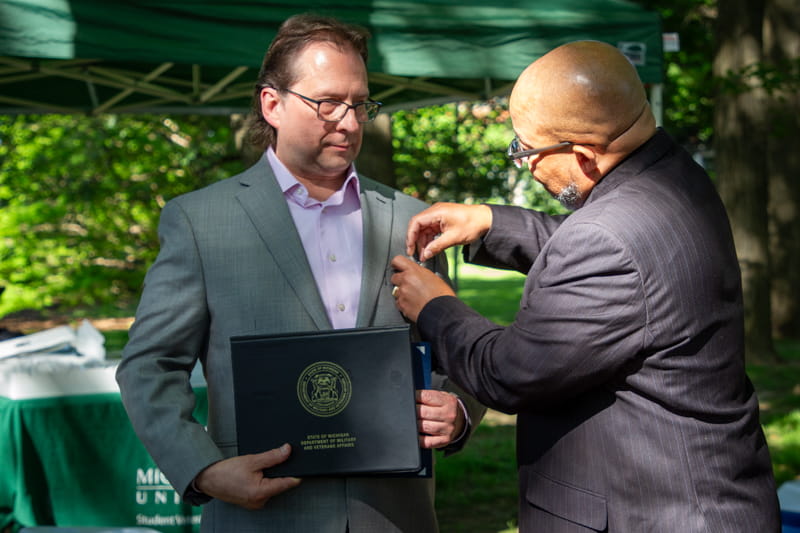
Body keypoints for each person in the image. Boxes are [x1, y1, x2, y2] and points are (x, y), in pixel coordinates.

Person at [390, 40, 780, 532]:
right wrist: (489, 221)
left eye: (527, 150)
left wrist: (435, 307)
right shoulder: (675, 176)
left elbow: (510, 372)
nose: (526, 164)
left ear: (582, 154)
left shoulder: (607, 238)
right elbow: (613, 250)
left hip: (654, 515)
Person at [116, 14, 484, 533]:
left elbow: (457, 350)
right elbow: (149, 366)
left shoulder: (412, 219)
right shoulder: (200, 222)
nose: (350, 122)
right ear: (273, 104)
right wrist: (205, 471)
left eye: (359, 105)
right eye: (328, 103)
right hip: (263, 517)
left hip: (392, 516)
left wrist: (458, 410)